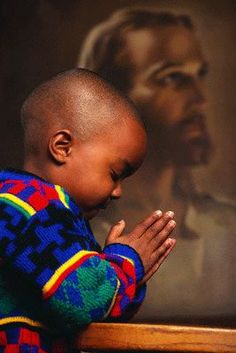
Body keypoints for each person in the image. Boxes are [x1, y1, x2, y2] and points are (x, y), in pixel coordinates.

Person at [0, 68, 176, 352]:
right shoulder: (34, 208)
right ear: (62, 147)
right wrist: (126, 262)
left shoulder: (39, 209)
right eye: (115, 173)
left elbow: (99, 315)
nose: (118, 191)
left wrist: (124, 273)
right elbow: (84, 300)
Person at [78, 8, 236, 322]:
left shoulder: (228, 229)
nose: (200, 99)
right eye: (172, 78)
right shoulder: (68, 232)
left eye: (198, 76)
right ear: (115, 99)